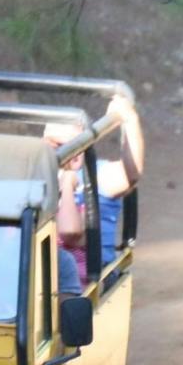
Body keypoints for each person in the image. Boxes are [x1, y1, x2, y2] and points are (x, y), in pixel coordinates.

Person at [46, 95, 145, 282]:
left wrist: (130, 121)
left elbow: (131, 174)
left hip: (93, 273)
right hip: (45, 269)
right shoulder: (39, 173)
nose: (65, 153)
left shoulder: (96, 173)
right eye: (57, 145)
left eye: (74, 146)